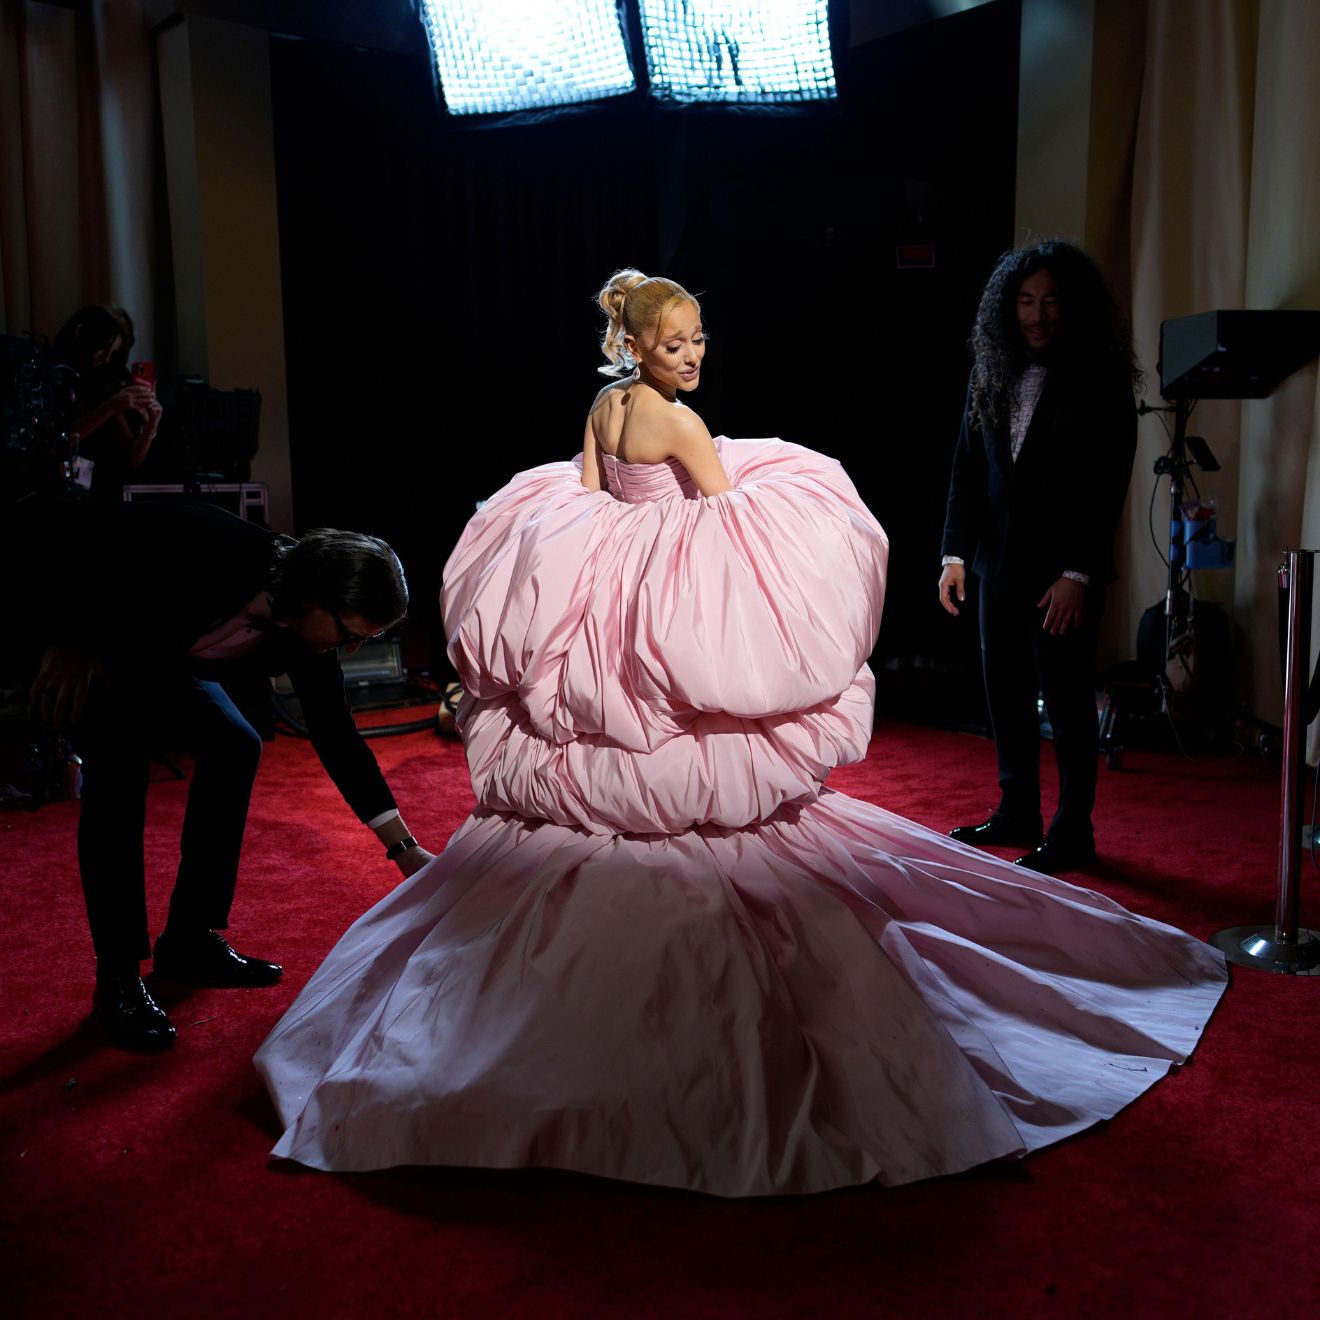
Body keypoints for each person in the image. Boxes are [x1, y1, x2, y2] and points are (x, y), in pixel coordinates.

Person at [254, 270, 1223, 1197]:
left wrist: (612, 583)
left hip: (606, 572)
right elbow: (722, 518)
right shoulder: (677, 420)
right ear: (638, 346)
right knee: (683, 699)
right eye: (676, 343)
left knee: (605, 708)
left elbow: (588, 500)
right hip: (667, 559)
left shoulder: (603, 409)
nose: (694, 355)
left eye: (698, 339)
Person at [6, 495, 435, 1050]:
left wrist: (403, 848)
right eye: (349, 632)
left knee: (235, 744)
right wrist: (68, 639)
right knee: (119, 770)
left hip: (164, 656)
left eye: (364, 640)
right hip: (94, 635)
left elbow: (337, 737)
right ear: (313, 595)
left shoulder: (308, 632)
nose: (350, 648)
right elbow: (79, 541)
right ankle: (117, 979)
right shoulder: (208, 539)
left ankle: (190, 938)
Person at [940, 240, 1140, 875]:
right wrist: (953, 554)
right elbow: (966, 470)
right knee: (1004, 691)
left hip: (1064, 576)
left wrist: (1078, 574)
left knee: (1067, 699)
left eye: (1051, 301)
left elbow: (1109, 484)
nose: (1037, 314)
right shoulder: (990, 370)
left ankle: (1072, 830)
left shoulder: (1103, 377)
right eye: (1025, 301)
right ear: (1007, 307)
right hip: (996, 564)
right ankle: (1017, 811)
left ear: (1072, 306)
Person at [50, 304, 162, 500]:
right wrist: (112, 406)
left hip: (99, 490)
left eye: (113, 353)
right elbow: (59, 442)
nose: (106, 360)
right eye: (104, 350)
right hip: (63, 489)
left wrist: (150, 426)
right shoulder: (58, 376)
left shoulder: (102, 385)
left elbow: (130, 458)